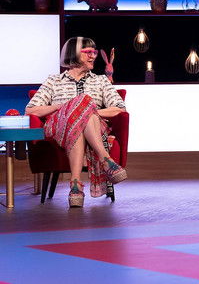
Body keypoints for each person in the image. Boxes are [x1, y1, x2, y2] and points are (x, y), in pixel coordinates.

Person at [25, 37, 128, 208]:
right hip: (59, 128)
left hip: (94, 127)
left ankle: (75, 185)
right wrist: (64, 107)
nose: (93, 56)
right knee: (83, 103)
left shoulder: (101, 80)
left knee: (84, 112)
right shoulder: (54, 81)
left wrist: (86, 111)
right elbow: (31, 110)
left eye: (94, 52)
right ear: (73, 54)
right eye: (88, 52)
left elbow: (119, 108)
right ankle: (106, 160)